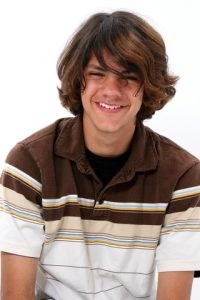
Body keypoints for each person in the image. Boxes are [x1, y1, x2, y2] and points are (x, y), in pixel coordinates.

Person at [0, 10, 200, 300]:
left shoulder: (183, 177)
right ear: (77, 78)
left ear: (149, 85)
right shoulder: (29, 164)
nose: (111, 90)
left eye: (128, 77)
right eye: (97, 73)